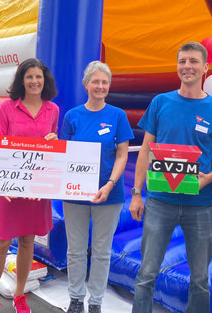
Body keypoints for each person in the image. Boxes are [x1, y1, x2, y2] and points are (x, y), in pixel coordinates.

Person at [129, 42, 212, 313]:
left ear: (205, 67)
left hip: (200, 205)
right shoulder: (160, 102)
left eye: (193, 61)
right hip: (159, 201)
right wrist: (136, 193)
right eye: (182, 61)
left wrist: (210, 177)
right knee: (146, 273)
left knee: (200, 279)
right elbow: (145, 149)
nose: (187, 66)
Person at [0, 58, 59, 313]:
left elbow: (53, 150)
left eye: (39, 77)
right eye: (29, 77)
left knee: (28, 243)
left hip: (37, 190)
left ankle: (19, 295)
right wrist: (10, 178)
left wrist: (54, 141)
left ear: (45, 80)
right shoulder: (7, 107)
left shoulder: (53, 110)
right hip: (9, 188)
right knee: (1, 244)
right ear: (21, 81)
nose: (34, 81)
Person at [60, 61, 134, 313]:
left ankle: (96, 302)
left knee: (102, 251)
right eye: (96, 82)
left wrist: (111, 183)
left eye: (104, 82)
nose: (100, 86)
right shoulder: (72, 116)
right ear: (86, 85)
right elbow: (64, 153)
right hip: (75, 193)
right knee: (76, 250)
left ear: (108, 86)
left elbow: (122, 155)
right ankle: (76, 298)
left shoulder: (117, 115)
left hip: (109, 194)